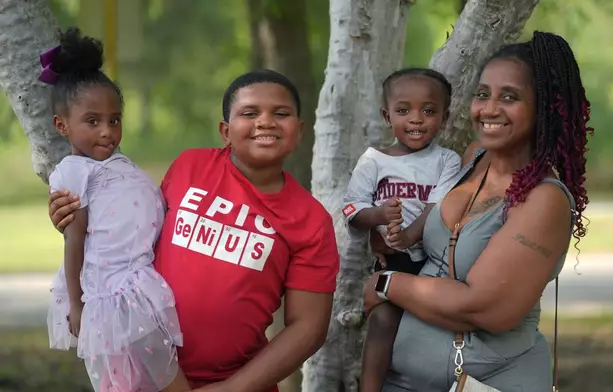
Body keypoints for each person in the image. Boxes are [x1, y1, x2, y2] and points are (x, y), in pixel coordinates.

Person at [47, 68, 340, 391]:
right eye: (250, 112)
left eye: (280, 113)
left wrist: (230, 389)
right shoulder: (190, 167)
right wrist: (71, 218)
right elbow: (134, 226)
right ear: (225, 131)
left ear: (299, 131)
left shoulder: (311, 220)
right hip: (142, 369)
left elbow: (309, 328)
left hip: (235, 382)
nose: (266, 121)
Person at [363, 31, 593, 392]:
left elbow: (482, 307)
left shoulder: (543, 200)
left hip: (490, 383)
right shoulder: (476, 158)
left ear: (544, 108)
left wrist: (386, 284)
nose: (488, 109)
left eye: (510, 97)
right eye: (483, 94)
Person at [41, 28, 190, 392]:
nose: (107, 131)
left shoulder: (117, 164)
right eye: (92, 122)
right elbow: (74, 240)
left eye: (115, 119)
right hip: (115, 297)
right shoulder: (73, 172)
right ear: (63, 125)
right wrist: (77, 304)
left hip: (136, 286)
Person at [342, 68, 461, 392]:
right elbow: (351, 210)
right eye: (403, 110)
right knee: (383, 322)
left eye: (429, 111)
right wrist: (378, 215)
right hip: (389, 262)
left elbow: (436, 207)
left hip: (431, 262)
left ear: (445, 117)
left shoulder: (447, 161)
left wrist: (409, 236)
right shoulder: (374, 160)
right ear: (387, 115)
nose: (417, 119)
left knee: (431, 327)